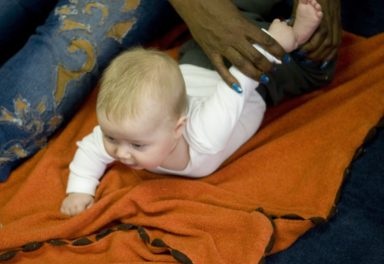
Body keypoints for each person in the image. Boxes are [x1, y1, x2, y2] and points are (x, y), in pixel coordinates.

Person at [0, 0, 340, 254]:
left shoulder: (199, 131)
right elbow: (94, 147)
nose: (122, 152)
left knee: (59, 55)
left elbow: (251, 74)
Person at [61, 0, 323, 216]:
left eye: (137, 146)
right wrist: (80, 189)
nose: (121, 153)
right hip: (212, 70)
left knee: (297, 69)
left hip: (231, 75)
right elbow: (91, 150)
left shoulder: (205, 134)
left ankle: (295, 33)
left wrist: (274, 45)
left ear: (178, 128)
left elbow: (241, 81)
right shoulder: (127, 132)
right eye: (111, 138)